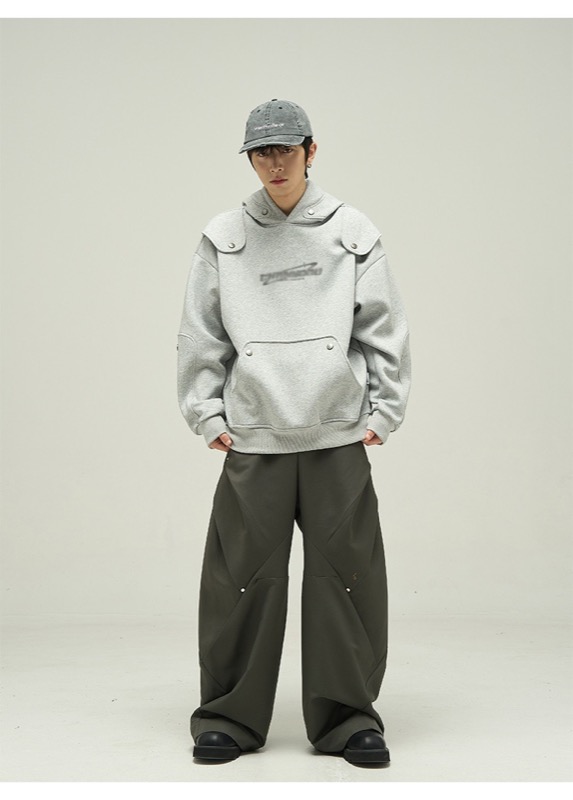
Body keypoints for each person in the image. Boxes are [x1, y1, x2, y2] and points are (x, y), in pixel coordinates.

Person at [177, 99, 411, 766]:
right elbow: (200, 330)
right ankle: (228, 717)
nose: (274, 163)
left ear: (311, 150)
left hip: (337, 434)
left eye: (286, 149)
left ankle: (348, 720)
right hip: (255, 434)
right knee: (240, 579)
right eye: (261, 152)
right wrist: (205, 412)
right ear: (250, 159)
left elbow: (384, 325)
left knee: (347, 578)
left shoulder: (352, 231)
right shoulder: (224, 236)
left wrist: (384, 410)